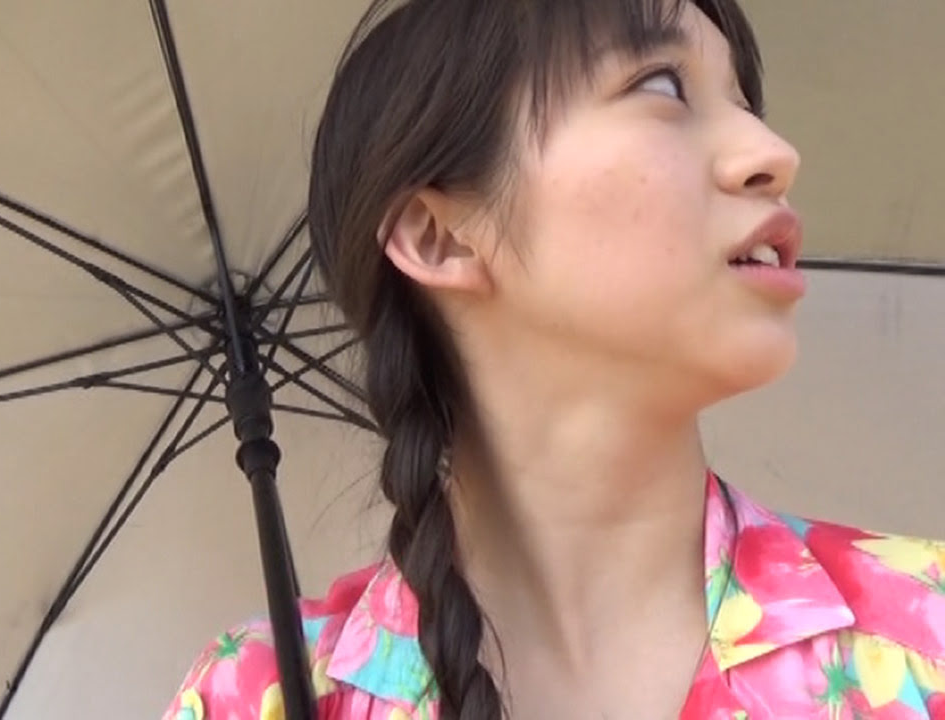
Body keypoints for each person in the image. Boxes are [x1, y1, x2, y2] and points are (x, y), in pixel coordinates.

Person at [164, 0, 945, 717]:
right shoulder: (262, 697)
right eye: (663, 86)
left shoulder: (924, 637)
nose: (774, 154)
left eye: (745, 103)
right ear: (440, 236)